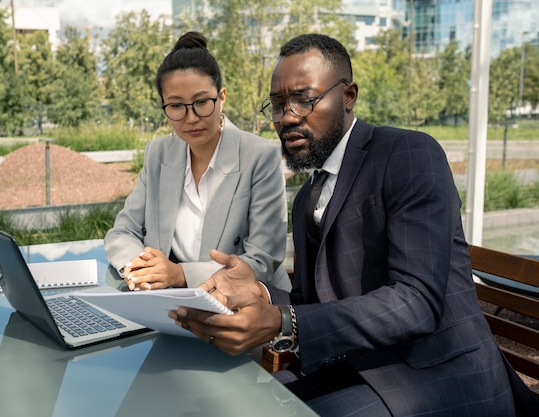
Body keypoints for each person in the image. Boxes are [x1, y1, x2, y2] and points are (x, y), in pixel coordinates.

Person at [169, 34, 539, 416]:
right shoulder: (306, 197)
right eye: (277, 105)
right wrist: (262, 295)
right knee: (218, 402)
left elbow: (417, 301)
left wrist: (283, 321)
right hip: (351, 366)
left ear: (348, 96)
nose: (288, 117)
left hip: (437, 379)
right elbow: (314, 305)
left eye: (303, 99)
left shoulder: (408, 155)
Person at [104, 31, 291, 292]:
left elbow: (261, 259)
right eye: (176, 106)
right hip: (166, 299)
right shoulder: (158, 153)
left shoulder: (259, 155)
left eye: (202, 102)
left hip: (244, 304)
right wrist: (142, 270)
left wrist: (180, 274)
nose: (191, 118)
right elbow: (122, 232)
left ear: (222, 97)